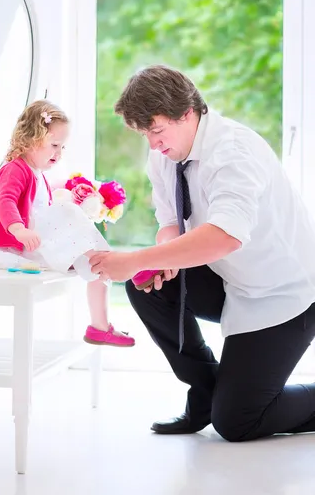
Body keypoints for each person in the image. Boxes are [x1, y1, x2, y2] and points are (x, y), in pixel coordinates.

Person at [90, 64, 315, 442]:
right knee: (147, 285)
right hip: (231, 277)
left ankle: (229, 401)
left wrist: (137, 259)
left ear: (188, 112)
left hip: (286, 293)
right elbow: (171, 224)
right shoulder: (165, 154)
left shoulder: (233, 152)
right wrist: (161, 261)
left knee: (238, 422)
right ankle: (207, 387)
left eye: (157, 130)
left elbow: (225, 236)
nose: (153, 143)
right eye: (144, 134)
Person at [0, 100, 134, 347]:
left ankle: (100, 325)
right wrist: (18, 229)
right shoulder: (15, 169)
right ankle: (108, 259)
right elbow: (5, 201)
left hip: (37, 244)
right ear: (31, 138)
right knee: (69, 213)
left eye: (62, 146)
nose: (59, 153)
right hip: (18, 247)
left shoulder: (38, 174)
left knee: (95, 267)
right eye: (54, 145)